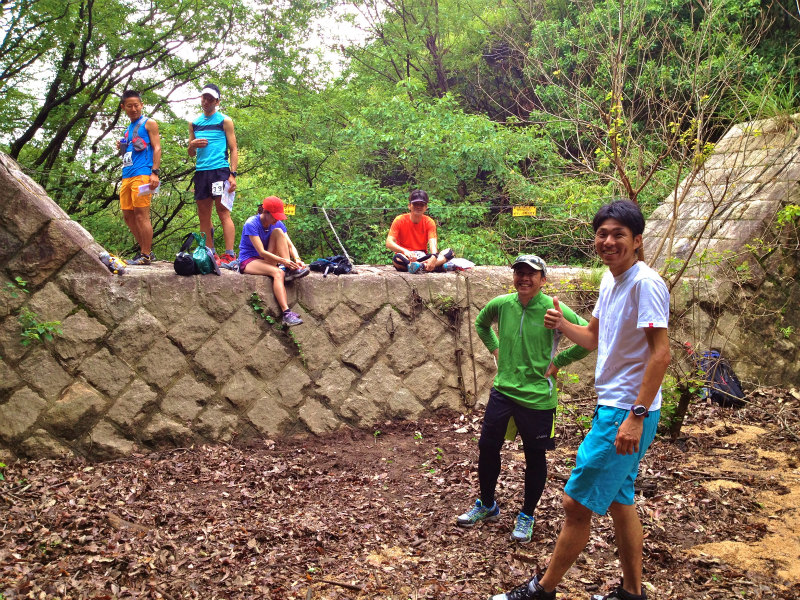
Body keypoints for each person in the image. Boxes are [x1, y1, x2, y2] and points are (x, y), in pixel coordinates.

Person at [490, 200, 671, 600]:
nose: (608, 241)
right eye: (602, 234)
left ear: (637, 241)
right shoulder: (611, 280)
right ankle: (632, 592)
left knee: (575, 503)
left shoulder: (646, 284)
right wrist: (561, 325)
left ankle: (542, 590)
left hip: (627, 410)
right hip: (614, 406)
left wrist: (636, 416)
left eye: (618, 234)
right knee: (621, 501)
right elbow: (592, 338)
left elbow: (661, 354)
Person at [458, 255, 591, 544]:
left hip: (537, 397)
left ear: (543, 280)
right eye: (519, 272)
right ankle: (487, 504)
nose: (524, 278)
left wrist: (558, 363)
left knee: (535, 456)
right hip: (503, 390)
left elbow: (588, 338)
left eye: (531, 274)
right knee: (488, 447)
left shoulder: (553, 308)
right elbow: (481, 323)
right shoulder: (503, 304)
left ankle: (527, 514)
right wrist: (495, 349)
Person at [188, 83, 239, 268]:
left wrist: (232, 175)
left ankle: (230, 255)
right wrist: (192, 145)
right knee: (203, 216)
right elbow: (191, 154)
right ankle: (210, 253)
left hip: (220, 170)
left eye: (210, 98)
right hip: (201, 172)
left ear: (217, 101)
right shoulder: (194, 123)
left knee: (223, 212)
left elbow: (233, 149)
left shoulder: (224, 121)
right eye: (204, 97)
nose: (206, 101)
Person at [238, 196, 308, 327]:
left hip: (268, 259)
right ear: (265, 212)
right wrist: (283, 261)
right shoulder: (251, 224)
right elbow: (261, 252)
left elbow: (290, 245)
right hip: (249, 260)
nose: (277, 219)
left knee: (278, 232)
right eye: (275, 216)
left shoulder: (277, 224)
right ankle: (286, 314)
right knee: (278, 273)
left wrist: (297, 260)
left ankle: (289, 269)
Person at [117, 89, 161, 265]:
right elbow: (128, 152)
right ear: (123, 108)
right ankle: (145, 250)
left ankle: (145, 254)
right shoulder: (128, 130)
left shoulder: (149, 123)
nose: (133, 109)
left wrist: (155, 172)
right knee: (128, 215)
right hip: (127, 174)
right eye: (129, 106)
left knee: (142, 215)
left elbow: (157, 148)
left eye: (136, 105)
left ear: (142, 105)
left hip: (143, 174)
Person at [386, 189, 454, 273]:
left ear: (426, 207)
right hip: (406, 257)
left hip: (422, 255)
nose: (418, 207)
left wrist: (433, 257)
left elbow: (433, 243)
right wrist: (405, 251)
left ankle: (421, 266)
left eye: (421, 205)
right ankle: (434, 266)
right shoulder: (400, 220)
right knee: (397, 259)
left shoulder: (429, 222)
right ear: (409, 206)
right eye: (415, 204)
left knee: (450, 252)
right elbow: (389, 242)